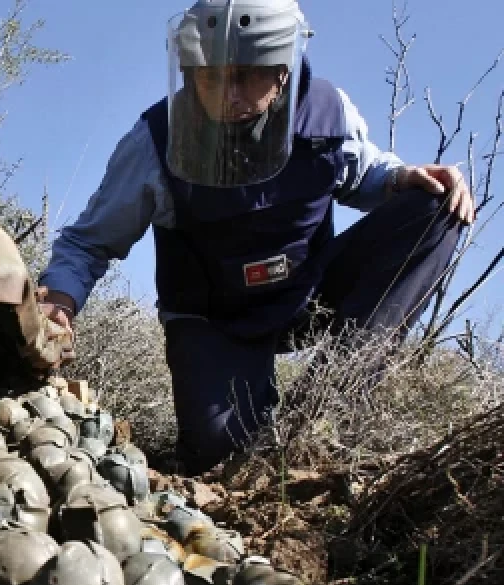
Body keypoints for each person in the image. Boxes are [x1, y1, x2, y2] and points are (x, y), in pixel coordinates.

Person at [37, 0, 475, 475]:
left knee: (438, 206)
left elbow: (361, 171)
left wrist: (402, 176)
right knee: (222, 458)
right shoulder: (155, 141)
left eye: (248, 75)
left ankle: (330, 404)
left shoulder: (327, 111)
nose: (229, 95)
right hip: (215, 317)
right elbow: (88, 242)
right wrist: (59, 302)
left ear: (283, 69)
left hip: (306, 294)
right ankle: (239, 426)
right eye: (212, 76)